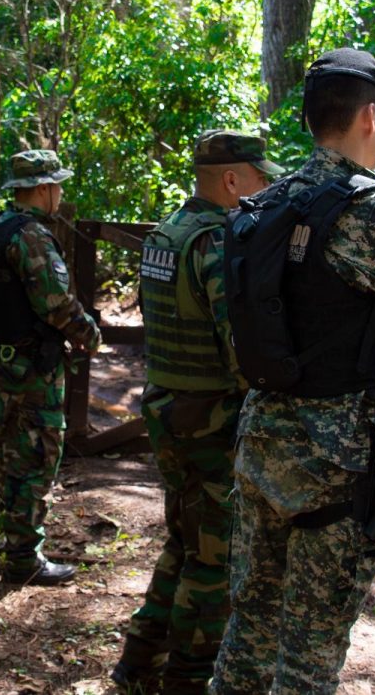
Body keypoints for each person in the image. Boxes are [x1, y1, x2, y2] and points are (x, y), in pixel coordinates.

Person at [210, 48, 375, 694]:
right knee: (308, 663)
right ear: (369, 116)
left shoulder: (261, 206)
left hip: (261, 451)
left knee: (247, 638)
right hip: (333, 475)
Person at [113, 130, 284, 695]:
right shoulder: (217, 243)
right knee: (215, 561)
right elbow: (240, 345)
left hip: (168, 408)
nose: (266, 191)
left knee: (186, 544)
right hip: (209, 420)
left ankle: (139, 663)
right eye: (261, 180)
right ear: (232, 181)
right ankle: (186, 679)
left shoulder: (167, 233)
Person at [0, 149, 101, 586]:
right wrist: (89, 334)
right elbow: (55, 303)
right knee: (35, 460)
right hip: (31, 371)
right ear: (43, 189)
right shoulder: (32, 236)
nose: (60, 193)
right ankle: (22, 559)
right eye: (57, 185)